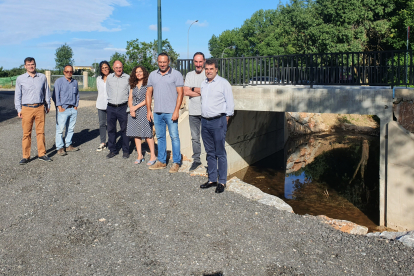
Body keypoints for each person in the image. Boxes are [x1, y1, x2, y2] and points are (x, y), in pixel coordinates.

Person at [199, 59, 234, 193]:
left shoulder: (223, 83)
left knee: (220, 152)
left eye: (211, 69)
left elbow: (230, 103)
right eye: (206, 69)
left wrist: (226, 119)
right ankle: (212, 179)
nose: (208, 71)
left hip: (218, 121)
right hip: (205, 121)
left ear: (216, 69)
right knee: (210, 152)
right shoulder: (203, 84)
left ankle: (222, 181)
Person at [146, 53, 184, 173]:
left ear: (169, 62)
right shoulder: (153, 75)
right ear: (157, 62)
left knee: (174, 137)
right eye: (160, 62)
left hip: (171, 112)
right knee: (160, 137)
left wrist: (176, 110)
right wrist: (148, 110)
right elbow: (148, 93)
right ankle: (161, 161)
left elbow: (181, 93)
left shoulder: (176, 74)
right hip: (157, 112)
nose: (162, 64)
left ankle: (176, 162)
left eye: (164, 62)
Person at [14, 57, 52, 164]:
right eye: (29, 64)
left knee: (41, 132)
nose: (31, 66)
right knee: (26, 133)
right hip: (26, 108)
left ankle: (42, 154)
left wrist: (48, 104)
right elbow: (18, 95)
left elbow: (46, 92)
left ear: (35, 65)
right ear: (25, 66)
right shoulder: (20, 79)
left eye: (33, 64)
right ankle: (26, 156)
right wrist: (19, 109)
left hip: (40, 107)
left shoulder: (42, 77)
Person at [126, 66, 157, 165]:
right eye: (136, 72)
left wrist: (135, 107)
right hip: (133, 111)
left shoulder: (148, 83)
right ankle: (140, 155)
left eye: (140, 71)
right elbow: (130, 98)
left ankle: (153, 155)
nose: (138, 73)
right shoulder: (133, 84)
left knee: (147, 133)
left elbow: (147, 99)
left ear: (144, 72)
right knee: (136, 133)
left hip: (144, 109)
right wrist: (131, 108)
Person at [184, 52, 206, 172]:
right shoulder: (189, 75)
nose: (198, 64)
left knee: (208, 138)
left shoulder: (207, 74)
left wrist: (192, 88)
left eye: (200, 61)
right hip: (193, 112)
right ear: (193, 62)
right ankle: (196, 160)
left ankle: (210, 161)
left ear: (204, 61)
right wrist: (200, 91)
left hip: (206, 112)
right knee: (195, 138)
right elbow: (185, 92)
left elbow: (207, 91)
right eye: (196, 62)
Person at [106, 60, 130, 159]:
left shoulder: (127, 78)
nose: (119, 69)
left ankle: (125, 150)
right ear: (113, 68)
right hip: (111, 107)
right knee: (111, 129)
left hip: (123, 107)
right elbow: (108, 91)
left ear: (122, 67)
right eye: (116, 68)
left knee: (124, 129)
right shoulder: (109, 78)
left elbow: (130, 93)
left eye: (120, 67)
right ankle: (112, 150)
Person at [53, 65, 80, 156]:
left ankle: (68, 145)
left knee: (71, 128)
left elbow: (77, 94)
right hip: (63, 109)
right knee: (60, 129)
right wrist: (59, 107)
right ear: (64, 72)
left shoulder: (75, 82)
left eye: (71, 71)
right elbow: (55, 95)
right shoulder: (59, 82)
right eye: (67, 71)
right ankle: (60, 147)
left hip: (73, 108)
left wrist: (76, 106)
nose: (69, 73)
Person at [96, 61, 113, 151]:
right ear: (101, 69)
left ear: (109, 68)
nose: (105, 69)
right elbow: (99, 90)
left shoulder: (113, 77)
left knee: (110, 124)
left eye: (106, 67)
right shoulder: (98, 79)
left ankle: (111, 142)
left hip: (111, 104)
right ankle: (103, 142)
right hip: (100, 104)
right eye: (103, 68)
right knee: (102, 124)